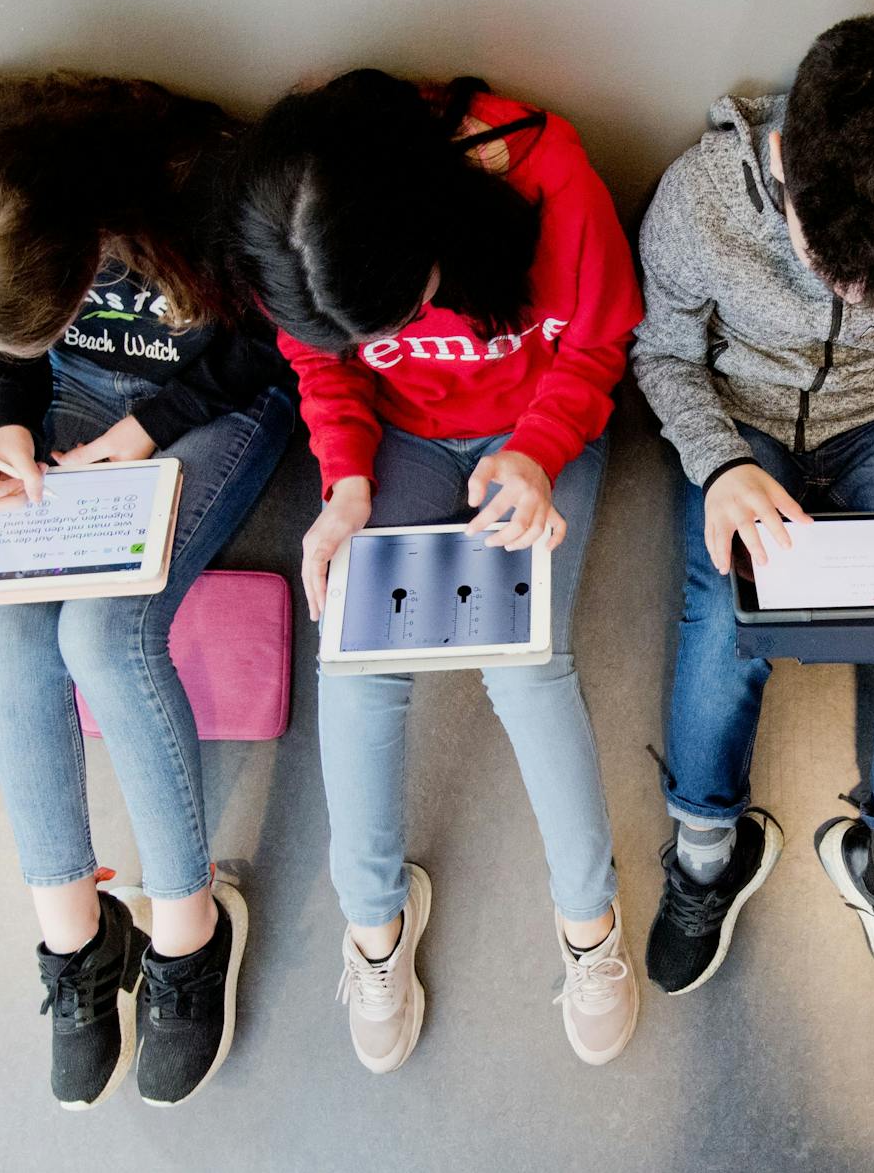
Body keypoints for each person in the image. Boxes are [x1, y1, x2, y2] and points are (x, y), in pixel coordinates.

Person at [0, 74, 294, 1108]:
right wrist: (8, 419)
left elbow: (267, 347)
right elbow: (11, 354)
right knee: (7, 627)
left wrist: (150, 428)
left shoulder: (198, 175)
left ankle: (188, 928)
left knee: (105, 636)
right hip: (74, 406)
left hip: (213, 402)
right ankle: (73, 934)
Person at [230, 69, 644, 1071]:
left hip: (536, 422)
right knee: (356, 655)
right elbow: (320, 367)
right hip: (400, 443)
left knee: (525, 663)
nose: (383, 343)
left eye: (392, 315)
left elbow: (598, 346)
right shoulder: (289, 234)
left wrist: (536, 452)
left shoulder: (549, 175)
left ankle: (589, 922)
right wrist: (344, 485)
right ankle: (374, 927)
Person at [632, 15, 874, 1006]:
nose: (850, 290)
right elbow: (662, 356)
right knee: (722, 612)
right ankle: (705, 850)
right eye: (825, 259)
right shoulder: (698, 199)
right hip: (741, 416)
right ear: (781, 161)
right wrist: (718, 465)